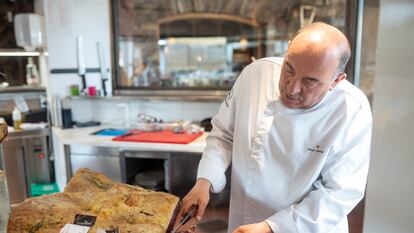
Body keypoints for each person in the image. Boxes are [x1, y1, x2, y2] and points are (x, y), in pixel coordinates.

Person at [181, 22, 373, 233]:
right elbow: (224, 135)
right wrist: (204, 181)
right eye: (289, 68)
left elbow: (338, 193)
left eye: (310, 81)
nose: (292, 88)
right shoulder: (255, 75)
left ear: (336, 80)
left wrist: (272, 228)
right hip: (243, 220)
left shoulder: (353, 110)